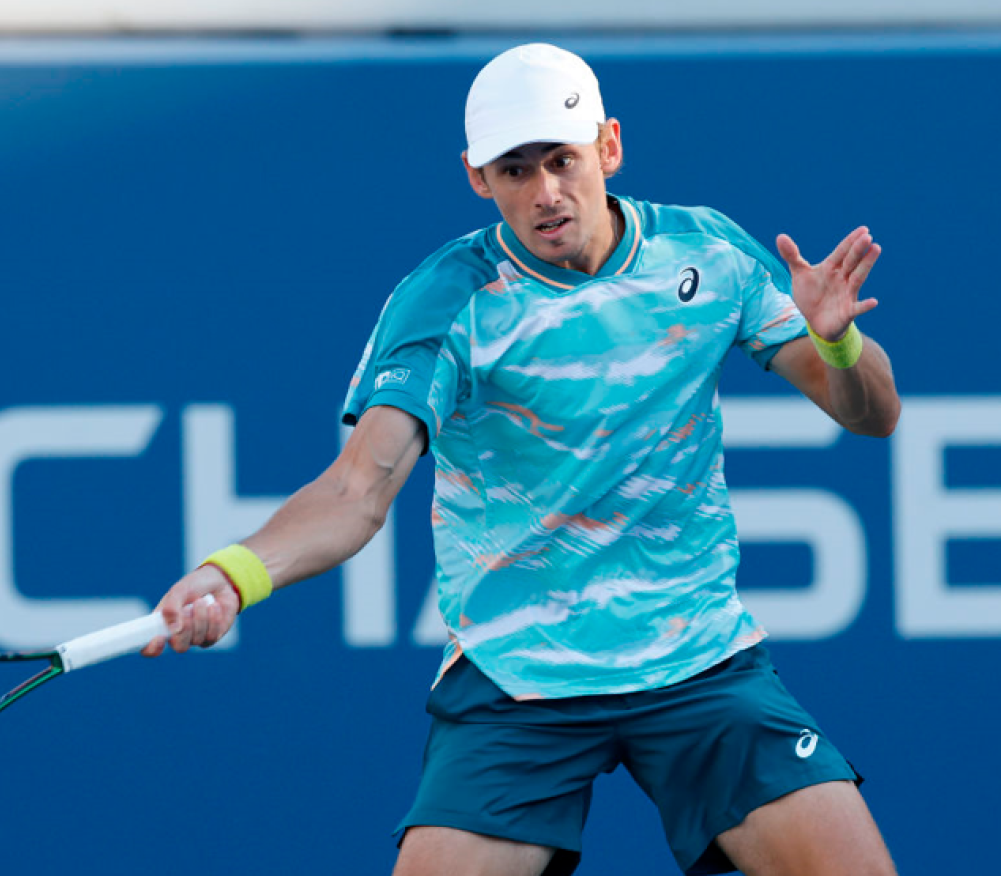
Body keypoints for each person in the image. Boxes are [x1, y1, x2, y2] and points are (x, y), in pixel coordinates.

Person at [141, 43, 900, 876]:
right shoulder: (447, 301)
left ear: (608, 147)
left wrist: (837, 342)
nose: (544, 193)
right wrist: (236, 573)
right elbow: (359, 488)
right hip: (517, 674)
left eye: (562, 161)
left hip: (697, 659)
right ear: (477, 177)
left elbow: (871, 415)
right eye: (513, 170)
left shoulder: (708, 254)